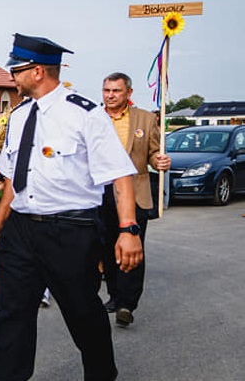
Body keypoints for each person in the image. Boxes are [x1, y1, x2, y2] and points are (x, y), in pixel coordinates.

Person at [0, 34, 143, 381]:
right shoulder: (18, 116)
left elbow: (120, 177)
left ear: (38, 71)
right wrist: (0, 224)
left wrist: (129, 230)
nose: (11, 76)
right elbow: (12, 177)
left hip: (70, 231)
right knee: (12, 313)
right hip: (21, 230)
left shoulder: (84, 114)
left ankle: (102, 374)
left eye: (17, 70)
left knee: (83, 313)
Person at [100, 72, 171, 327]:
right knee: (107, 247)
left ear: (128, 93)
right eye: (106, 90)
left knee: (133, 246)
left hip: (136, 190)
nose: (110, 95)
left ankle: (127, 304)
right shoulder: (94, 118)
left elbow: (153, 152)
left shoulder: (146, 118)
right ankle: (114, 296)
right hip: (101, 193)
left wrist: (159, 161)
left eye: (115, 91)